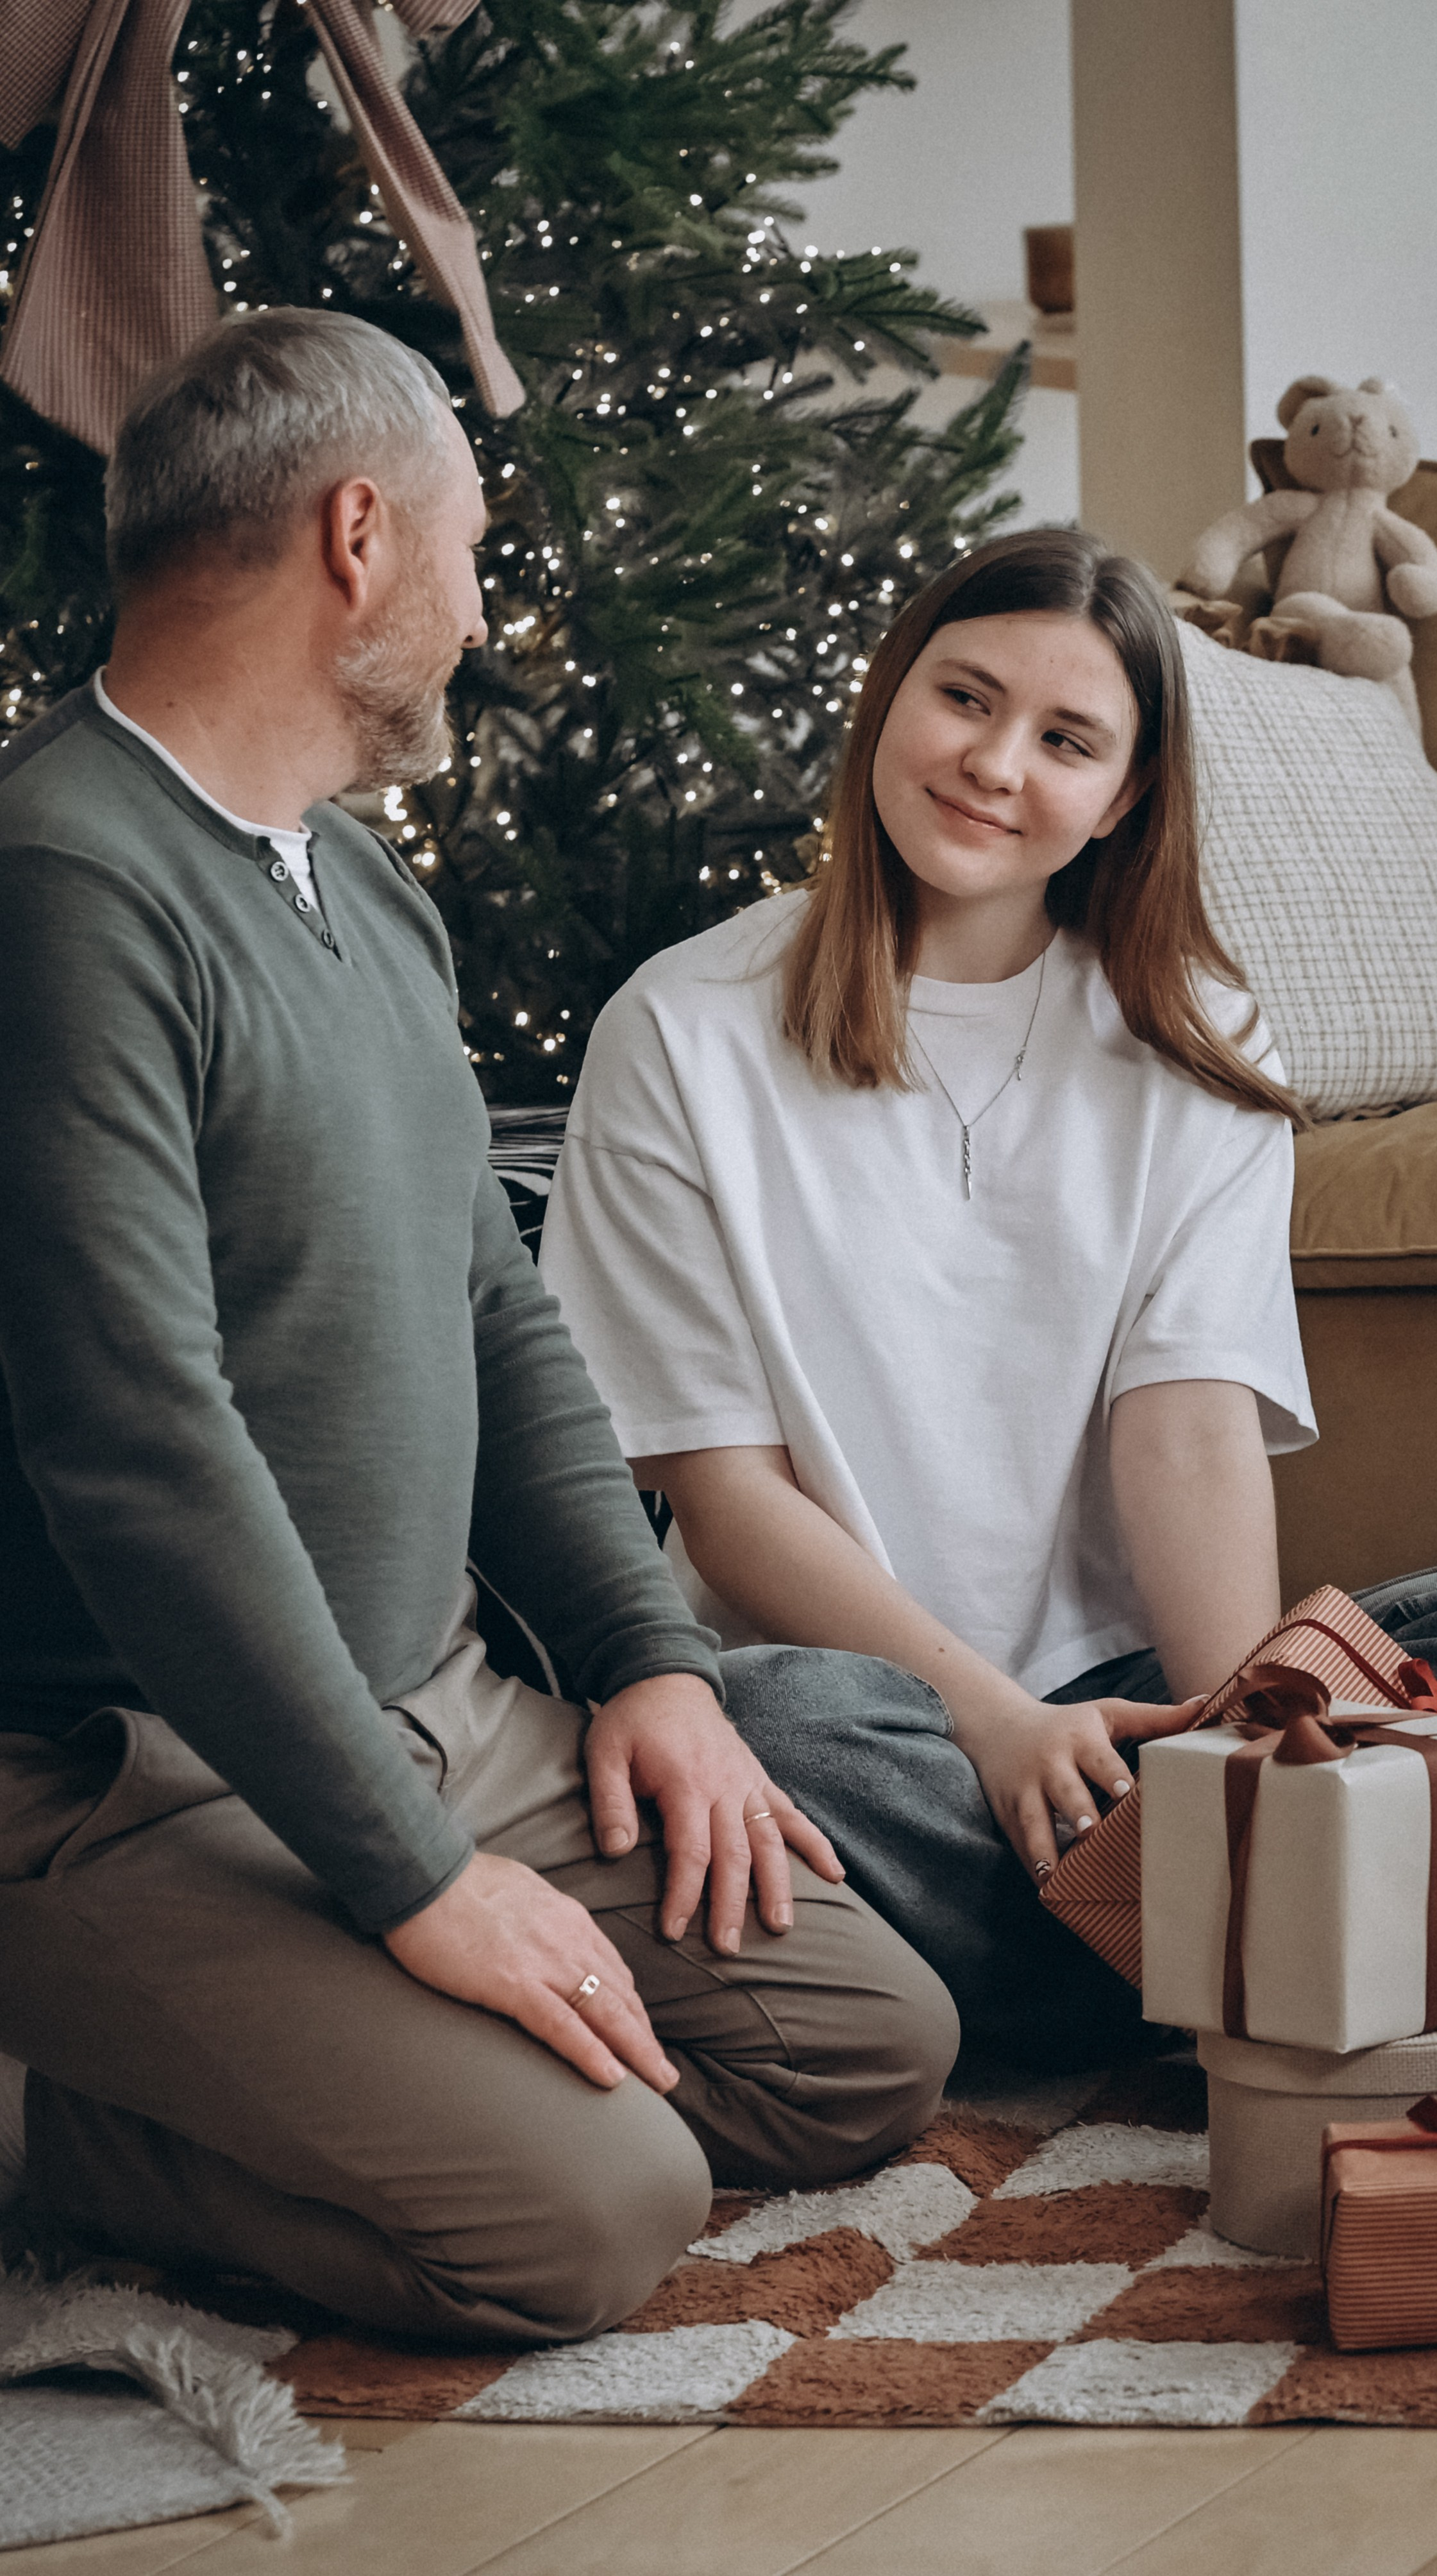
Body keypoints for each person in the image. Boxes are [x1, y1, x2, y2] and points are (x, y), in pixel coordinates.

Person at [0, 309, 958, 2345]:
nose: (475, 598)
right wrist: (419, 1889)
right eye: (465, 542)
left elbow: (496, 1306)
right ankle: (74, 2140)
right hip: (126, 1779)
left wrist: (647, 1664)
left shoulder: (359, 879)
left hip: (442, 1711)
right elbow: (136, 1449)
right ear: (360, 537)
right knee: (596, 2213)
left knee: (863, 2045)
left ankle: (313, 2064)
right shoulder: (64, 885)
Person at [539, 527, 1437, 2068]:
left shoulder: (1193, 1036)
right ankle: (1284, 1952)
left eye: (1063, 740)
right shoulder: (681, 1029)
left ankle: (1175, 1936)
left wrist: (1255, 1758)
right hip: (879, 1715)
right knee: (757, 1732)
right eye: (961, 698)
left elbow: (1181, 1438)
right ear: (886, 699)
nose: (991, 762)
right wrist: (986, 1716)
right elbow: (719, 1496)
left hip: (1134, 1726)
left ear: (1121, 798)